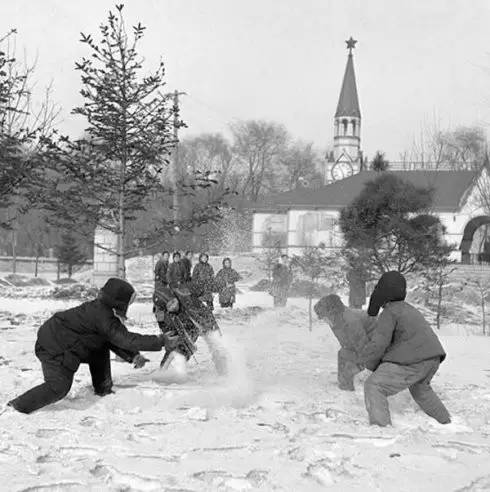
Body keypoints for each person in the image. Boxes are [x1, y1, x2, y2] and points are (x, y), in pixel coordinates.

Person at [7, 278, 177, 414]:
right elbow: (125, 338)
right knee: (58, 387)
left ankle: (103, 389)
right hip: (55, 346)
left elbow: (112, 337)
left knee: (99, 346)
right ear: (119, 301)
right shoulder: (102, 316)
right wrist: (160, 340)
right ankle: (18, 406)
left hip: (64, 339)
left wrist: (133, 356)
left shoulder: (102, 310)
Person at [359, 271, 451, 427]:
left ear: (382, 293)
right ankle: (446, 422)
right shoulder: (408, 309)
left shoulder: (390, 312)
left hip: (413, 360)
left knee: (374, 385)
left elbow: (378, 344)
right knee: (420, 389)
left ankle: (380, 429)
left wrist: (368, 364)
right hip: (432, 358)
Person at [314, 294, 377, 391]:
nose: (324, 320)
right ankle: (345, 386)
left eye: (324, 316)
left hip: (377, 344)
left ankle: (349, 386)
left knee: (350, 364)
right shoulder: (336, 321)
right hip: (366, 344)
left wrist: (363, 366)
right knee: (343, 354)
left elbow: (363, 347)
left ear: (332, 312)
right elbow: (345, 343)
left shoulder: (351, 321)